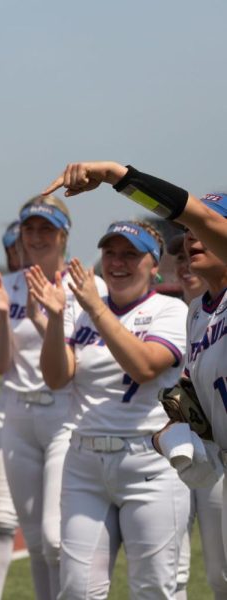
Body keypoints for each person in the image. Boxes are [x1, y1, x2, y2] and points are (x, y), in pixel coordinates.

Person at [30, 221, 190, 599]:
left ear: (154, 265)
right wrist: (55, 319)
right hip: (84, 460)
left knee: (154, 589)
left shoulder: (169, 309)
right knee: (77, 589)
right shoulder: (83, 311)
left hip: (148, 463)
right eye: (110, 253)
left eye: (130, 254)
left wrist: (96, 308)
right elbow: (56, 378)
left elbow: (145, 366)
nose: (117, 263)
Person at [0, 194, 100, 600]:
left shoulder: (86, 285)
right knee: (36, 543)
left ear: (64, 235)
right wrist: (0, 315)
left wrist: (47, 318)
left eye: (46, 228)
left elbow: (93, 358)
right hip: (16, 415)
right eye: (30, 228)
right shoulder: (6, 286)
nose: (36, 236)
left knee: (55, 537)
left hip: (64, 415)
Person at [164, 230, 227, 600]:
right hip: (217, 455)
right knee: (220, 579)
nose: (191, 241)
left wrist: (119, 177)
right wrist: (171, 431)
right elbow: (194, 396)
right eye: (188, 234)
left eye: (203, 229)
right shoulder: (197, 312)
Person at [45, 161, 227, 266]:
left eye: (131, 254)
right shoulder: (198, 310)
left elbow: (200, 218)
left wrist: (114, 175)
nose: (191, 235)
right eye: (186, 228)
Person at [0, 219, 24, 600]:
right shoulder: (0, 292)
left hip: (64, 417)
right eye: (13, 246)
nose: (20, 251)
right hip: (10, 410)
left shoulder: (74, 286)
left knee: (53, 533)